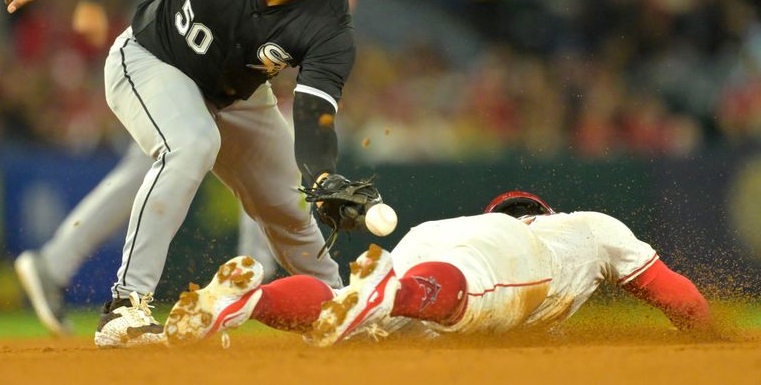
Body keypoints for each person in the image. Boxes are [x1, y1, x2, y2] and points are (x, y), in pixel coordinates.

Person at [0, 0, 364, 348]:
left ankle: (340, 308)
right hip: (150, 60)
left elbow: (315, 113)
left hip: (237, 95)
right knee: (191, 144)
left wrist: (323, 178)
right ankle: (125, 307)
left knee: (289, 204)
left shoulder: (330, 20)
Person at [13, 0, 282, 338]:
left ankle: (55, 264)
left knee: (160, 168)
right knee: (217, 163)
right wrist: (92, 1)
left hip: (231, 75)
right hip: (174, 62)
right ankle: (234, 289)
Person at [161, 191, 713, 347]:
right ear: (538, 213)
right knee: (471, 287)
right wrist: (707, 335)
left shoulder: (464, 222)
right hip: (497, 261)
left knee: (340, 311)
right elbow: (678, 297)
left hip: (426, 245)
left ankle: (250, 301)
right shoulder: (583, 228)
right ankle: (390, 294)